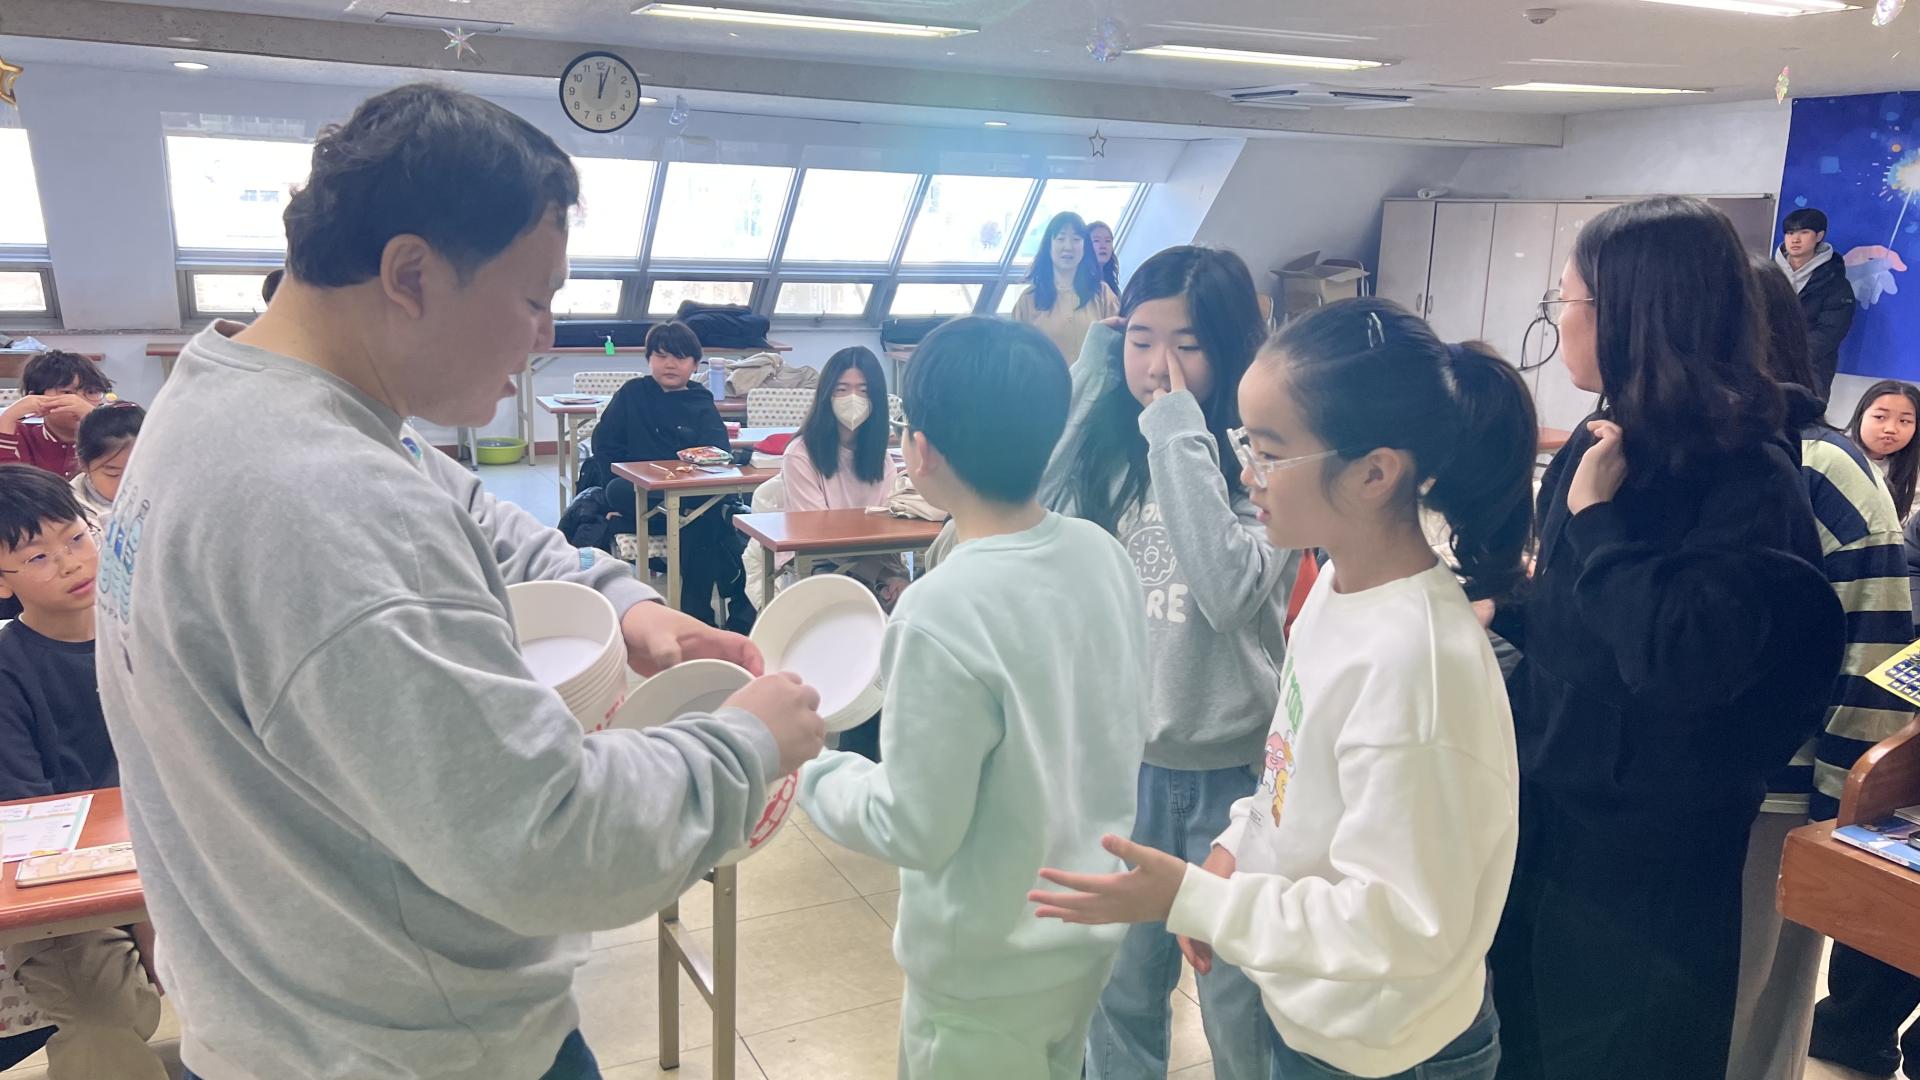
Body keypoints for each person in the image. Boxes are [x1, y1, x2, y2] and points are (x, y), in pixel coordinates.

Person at [92, 83, 827, 1080]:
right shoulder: (323, 501)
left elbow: (471, 513)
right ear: (411, 274)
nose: (543, 337)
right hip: (412, 1049)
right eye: (534, 299)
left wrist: (629, 605)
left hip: (279, 1010)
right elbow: (550, 843)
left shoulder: (231, 399)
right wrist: (747, 744)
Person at [1029, 296, 1533, 1080]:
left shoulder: (1417, 664)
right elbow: (1286, 771)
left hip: (1390, 1050)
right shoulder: (1337, 584)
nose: (1246, 474)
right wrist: (1233, 853)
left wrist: (1199, 900)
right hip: (1322, 1016)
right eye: (1244, 443)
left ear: (1374, 473)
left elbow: (1401, 924)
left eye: (1267, 451)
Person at [1486, 196, 1844, 1080]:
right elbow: (1574, 621)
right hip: (1553, 811)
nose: (1560, 321)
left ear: (1630, 313)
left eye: (1567, 300)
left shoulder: (1746, 468)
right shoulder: (1603, 442)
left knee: (1624, 1052)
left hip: (1651, 853)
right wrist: (1498, 609)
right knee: (1527, 1037)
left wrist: (1599, 523)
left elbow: (1679, 660)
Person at [797, 316, 1149, 1079]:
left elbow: (914, 825)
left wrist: (810, 772)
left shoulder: (942, 608)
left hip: (983, 974)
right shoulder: (1102, 555)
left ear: (920, 452)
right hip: (1085, 938)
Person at [1046, 244, 1292, 1080]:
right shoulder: (1108, 451)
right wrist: (1090, 376)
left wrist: (1178, 428)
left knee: (1238, 1010)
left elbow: (1227, 591)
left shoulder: (1266, 465)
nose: (1159, 366)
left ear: (1228, 349)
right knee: (1117, 997)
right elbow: (1030, 510)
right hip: (1121, 772)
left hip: (1232, 783)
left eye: (1186, 344)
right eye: (1140, 340)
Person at [1732, 260, 1913, 1080]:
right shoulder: (1692, 449)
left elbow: (1877, 661)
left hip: (1778, 796)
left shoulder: (1823, 468)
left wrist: (1838, 824)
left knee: (1757, 1008)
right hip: (1690, 789)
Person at [0, 465, 167, 1080]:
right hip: (62, 895)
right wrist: (143, 918)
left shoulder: (150, 636)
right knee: (103, 1012)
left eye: (75, 537)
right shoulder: (9, 672)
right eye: (37, 557)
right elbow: (29, 828)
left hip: (175, 866)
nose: (71, 563)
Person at [580, 319, 756, 630]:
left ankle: (696, 615)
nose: (670, 364)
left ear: (695, 364)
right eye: (661, 356)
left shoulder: (700, 399)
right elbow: (605, 446)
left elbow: (718, 451)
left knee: (706, 517)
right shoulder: (632, 394)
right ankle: (702, 617)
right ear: (649, 359)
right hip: (641, 495)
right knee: (621, 490)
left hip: (690, 495)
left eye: (680, 357)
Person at [779, 345, 905, 604]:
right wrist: (884, 575)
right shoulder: (800, 455)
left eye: (864, 390)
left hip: (877, 566)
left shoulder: (881, 458)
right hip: (819, 567)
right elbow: (819, 539)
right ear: (826, 394)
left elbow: (889, 526)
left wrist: (893, 577)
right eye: (842, 389)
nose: (853, 398)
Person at [1011, 211, 1120, 366]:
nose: (1068, 247)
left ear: (1085, 246)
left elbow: (1118, 347)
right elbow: (1017, 357)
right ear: (1049, 245)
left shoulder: (1102, 293)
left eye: (1076, 239)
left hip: (1094, 382)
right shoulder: (1029, 299)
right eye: (1061, 239)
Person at [1774, 208, 1856, 398]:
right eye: (1790, 233)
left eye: (1804, 232)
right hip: (1766, 366)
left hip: (1811, 370)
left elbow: (1830, 332)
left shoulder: (1835, 283)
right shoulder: (1765, 273)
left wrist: (1791, 358)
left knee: (1804, 414)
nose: (1795, 239)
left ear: (1819, 236)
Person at [0, 351, 111, 480]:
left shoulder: (112, 436)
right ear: (35, 397)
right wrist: (7, 418)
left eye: (91, 392)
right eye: (67, 392)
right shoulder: (17, 435)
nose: (79, 402)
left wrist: (95, 420)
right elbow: (6, 484)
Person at [1846, 379, 1920, 520]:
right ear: (1861, 416)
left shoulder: (1914, 466)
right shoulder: (1833, 453)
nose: (1890, 429)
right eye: (1880, 417)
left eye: (1904, 421)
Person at [69, 403, 143, 518]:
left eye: (142, 472)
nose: (128, 485)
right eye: (114, 474)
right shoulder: (68, 513)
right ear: (83, 463)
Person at [1090, 220, 1121, 295]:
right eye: (1096, 241)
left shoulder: (1112, 284)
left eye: (1107, 241)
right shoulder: (1079, 282)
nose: (1103, 246)